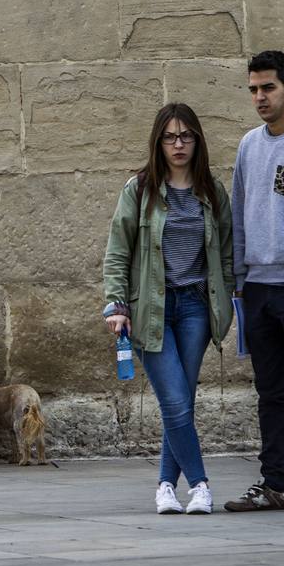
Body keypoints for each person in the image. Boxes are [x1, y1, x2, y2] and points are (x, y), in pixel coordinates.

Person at [102, 104, 234, 515]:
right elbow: (117, 251)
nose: (178, 145)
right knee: (175, 401)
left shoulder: (212, 190)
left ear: (198, 140)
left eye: (186, 136)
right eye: (170, 137)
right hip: (151, 310)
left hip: (196, 307)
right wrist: (117, 303)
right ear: (158, 142)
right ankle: (200, 485)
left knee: (181, 403)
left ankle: (164, 486)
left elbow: (227, 254)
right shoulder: (139, 190)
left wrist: (227, 300)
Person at [223, 50, 284, 513]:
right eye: (253, 90)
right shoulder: (249, 145)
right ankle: (273, 484)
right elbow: (239, 215)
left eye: (268, 88)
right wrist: (241, 278)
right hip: (259, 289)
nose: (260, 97)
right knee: (270, 393)